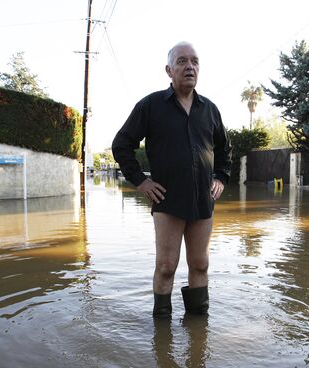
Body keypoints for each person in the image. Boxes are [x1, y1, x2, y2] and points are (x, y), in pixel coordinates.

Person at [112, 41, 232, 318]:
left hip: (203, 199)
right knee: (166, 265)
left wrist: (222, 178)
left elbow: (225, 149)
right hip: (167, 199)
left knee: (200, 264)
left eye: (194, 61)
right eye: (182, 61)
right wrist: (141, 181)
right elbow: (121, 144)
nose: (189, 66)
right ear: (169, 70)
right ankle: (162, 331)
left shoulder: (210, 110)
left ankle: (198, 329)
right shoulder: (151, 106)